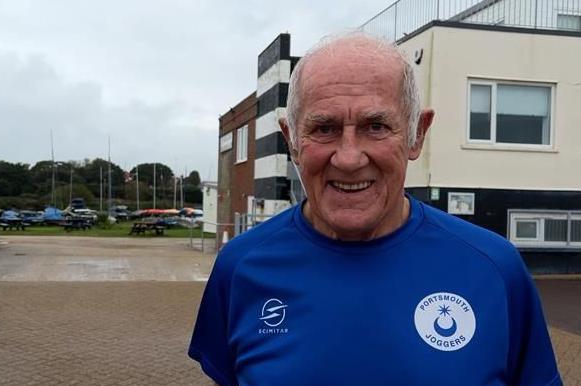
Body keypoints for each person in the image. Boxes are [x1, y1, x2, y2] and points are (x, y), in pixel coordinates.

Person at [189, 32, 561, 386]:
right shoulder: (239, 268)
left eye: (376, 126)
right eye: (324, 128)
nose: (349, 158)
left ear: (417, 133)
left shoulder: (495, 269)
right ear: (291, 140)